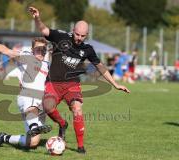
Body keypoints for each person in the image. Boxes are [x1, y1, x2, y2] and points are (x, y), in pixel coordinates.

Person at [28, 6, 130, 154]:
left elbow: (100, 67)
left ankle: (81, 146)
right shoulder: (60, 36)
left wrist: (115, 84)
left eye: (82, 36)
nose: (79, 38)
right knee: (48, 107)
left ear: (86, 35)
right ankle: (63, 124)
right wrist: (37, 18)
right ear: (73, 30)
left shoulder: (88, 49)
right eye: (77, 34)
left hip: (72, 85)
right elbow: (43, 30)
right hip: (53, 83)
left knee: (77, 109)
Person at [0, 35, 52, 148]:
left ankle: (4, 137)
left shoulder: (46, 65)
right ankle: (34, 127)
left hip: (41, 102)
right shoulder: (26, 57)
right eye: (38, 49)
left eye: (43, 50)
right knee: (31, 104)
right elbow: (5, 50)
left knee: (32, 143)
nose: (41, 52)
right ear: (32, 50)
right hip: (26, 96)